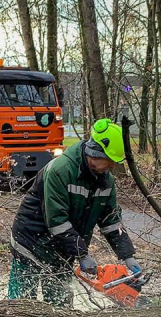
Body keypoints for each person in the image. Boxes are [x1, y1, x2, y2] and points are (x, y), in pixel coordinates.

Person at [8, 118, 141, 306]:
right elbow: (57, 221)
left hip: (62, 249)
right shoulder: (60, 170)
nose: (112, 166)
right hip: (31, 242)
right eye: (110, 160)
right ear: (94, 153)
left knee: (60, 307)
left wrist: (127, 255)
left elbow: (111, 220)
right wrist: (82, 254)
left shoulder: (105, 181)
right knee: (22, 307)